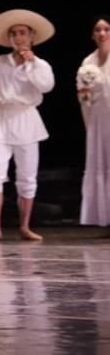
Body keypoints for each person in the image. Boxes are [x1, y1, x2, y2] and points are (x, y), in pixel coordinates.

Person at [0, 9, 55, 241]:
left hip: (26, 120)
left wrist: (31, 63)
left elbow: (46, 86)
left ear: (31, 36)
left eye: (22, 33)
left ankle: (25, 226)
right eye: (14, 33)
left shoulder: (41, 65)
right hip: (1, 120)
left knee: (27, 176)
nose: (18, 37)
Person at [77, 15, 110, 229]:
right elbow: (83, 96)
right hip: (99, 117)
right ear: (92, 34)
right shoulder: (87, 63)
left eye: (107, 29)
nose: (102, 33)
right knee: (102, 163)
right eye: (98, 29)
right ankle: (105, 218)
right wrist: (86, 95)